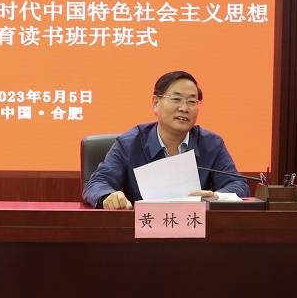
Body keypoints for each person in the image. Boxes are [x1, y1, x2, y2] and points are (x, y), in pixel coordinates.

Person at [82, 70, 250, 209]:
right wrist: (107, 196)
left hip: (194, 231)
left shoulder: (211, 144)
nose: (184, 108)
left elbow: (238, 185)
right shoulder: (129, 143)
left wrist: (217, 197)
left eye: (192, 101)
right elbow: (97, 182)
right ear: (156, 103)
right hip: (141, 231)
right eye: (176, 99)